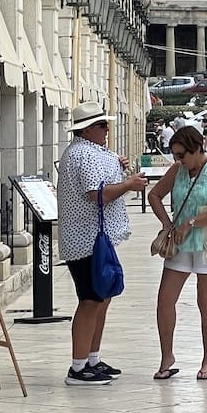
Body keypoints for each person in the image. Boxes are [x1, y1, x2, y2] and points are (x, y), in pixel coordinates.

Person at [56, 101, 148, 387]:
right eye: (102, 125)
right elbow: (98, 194)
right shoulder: (84, 154)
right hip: (86, 240)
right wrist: (129, 184)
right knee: (91, 300)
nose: (107, 129)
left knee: (101, 298)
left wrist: (118, 170)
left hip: (96, 239)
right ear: (87, 129)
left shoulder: (90, 152)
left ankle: (91, 358)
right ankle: (78, 366)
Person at [148, 125, 207, 381]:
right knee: (165, 299)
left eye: (182, 155)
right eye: (175, 155)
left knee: (206, 303)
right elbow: (154, 195)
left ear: (196, 149)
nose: (179, 160)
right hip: (180, 244)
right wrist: (167, 223)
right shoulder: (177, 170)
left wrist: (191, 222)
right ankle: (167, 357)